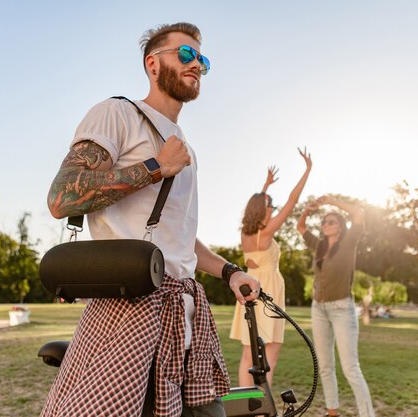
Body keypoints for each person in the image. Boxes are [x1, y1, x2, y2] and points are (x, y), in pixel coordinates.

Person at [40, 22, 260, 417]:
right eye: (186, 54)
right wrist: (158, 165)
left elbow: (180, 238)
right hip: (130, 308)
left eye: (202, 60)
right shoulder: (118, 114)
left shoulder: (184, 147)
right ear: (153, 64)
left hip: (186, 312)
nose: (196, 65)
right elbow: (63, 196)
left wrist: (230, 272)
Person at [230, 149, 312, 387]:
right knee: (270, 354)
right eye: (270, 206)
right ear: (264, 210)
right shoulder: (265, 232)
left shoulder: (247, 233)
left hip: (249, 287)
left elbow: (258, 204)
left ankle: (250, 406)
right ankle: (263, 404)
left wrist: (265, 187)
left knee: (249, 353)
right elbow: (292, 201)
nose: (273, 209)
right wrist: (307, 170)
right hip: (267, 290)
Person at [297, 196, 375, 417]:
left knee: (350, 368)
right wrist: (308, 210)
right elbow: (300, 226)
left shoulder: (350, 241)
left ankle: (367, 414)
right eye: (323, 222)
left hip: (342, 309)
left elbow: (359, 214)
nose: (326, 224)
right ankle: (332, 412)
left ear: (340, 226)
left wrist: (331, 201)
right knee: (325, 365)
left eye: (331, 221)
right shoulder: (318, 245)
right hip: (318, 309)